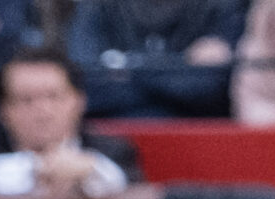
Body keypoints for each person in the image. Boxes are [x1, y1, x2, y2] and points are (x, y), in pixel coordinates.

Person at [0, 46, 140, 198]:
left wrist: (89, 168)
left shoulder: (112, 149)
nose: (42, 112)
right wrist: (36, 167)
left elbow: (134, 182)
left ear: (79, 101)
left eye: (53, 97)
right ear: (4, 110)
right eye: (26, 100)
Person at [67, 0, 247, 119]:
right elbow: (86, 82)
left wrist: (123, 66)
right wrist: (181, 63)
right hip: (107, 130)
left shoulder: (221, 6)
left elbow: (208, 89)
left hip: (198, 133)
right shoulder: (96, 6)